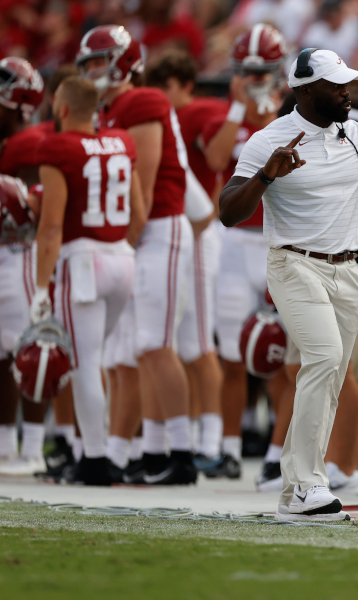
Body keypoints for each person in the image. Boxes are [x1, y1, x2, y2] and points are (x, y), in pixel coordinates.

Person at [219, 48, 358, 521]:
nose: (347, 91)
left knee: (332, 376)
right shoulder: (269, 139)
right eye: (335, 84)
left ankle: (298, 489)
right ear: (303, 89)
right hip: (294, 264)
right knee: (322, 359)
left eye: (347, 82)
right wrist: (265, 176)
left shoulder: (356, 133)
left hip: (349, 270)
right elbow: (228, 210)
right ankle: (304, 484)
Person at [78, 24, 201, 484]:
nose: (93, 71)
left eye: (98, 62)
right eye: (88, 64)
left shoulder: (141, 101)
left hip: (158, 229)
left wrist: (120, 244)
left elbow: (142, 190)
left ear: (125, 61)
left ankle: (182, 454)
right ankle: (137, 453)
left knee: (154, 344)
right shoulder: (109, 111)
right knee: (129, 352)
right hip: (135, 235)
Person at [32, 76, 146, 484]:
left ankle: (94, 459)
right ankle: (103, 451)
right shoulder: (122, 142)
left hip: (82, 263)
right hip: (122, 259)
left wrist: (40, 287)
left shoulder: (57, 146)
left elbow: (50, 228)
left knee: (84, 364)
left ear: (62, 109)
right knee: (99, 359)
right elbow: (139, 213)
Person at [201, 24, 289, 479]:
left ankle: (277, 453)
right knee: (234, 353)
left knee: (280, 357)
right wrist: (238, 105)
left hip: (278, 241)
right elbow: (217, 160)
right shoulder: (224, 115)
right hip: (236, 245)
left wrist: (271, 108)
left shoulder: (292, 114)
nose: (256, 78)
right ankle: (230, 448)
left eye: (263, 71)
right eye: (248, 71)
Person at [146, 50, 229, 477]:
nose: (158, 95)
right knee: (176, 345)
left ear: (183, 86)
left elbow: (217, 158)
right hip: (180, 231)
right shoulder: (158, 119)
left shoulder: (196, 113)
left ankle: (212, 444)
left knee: (198, 344)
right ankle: (189, 437)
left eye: (165, 86)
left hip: (196, 232)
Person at [0, 57, 45, 477]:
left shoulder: (29, 143)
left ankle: (33, 447)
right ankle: (4, 446)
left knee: (30, 350)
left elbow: (37, 205)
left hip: (21, 253)